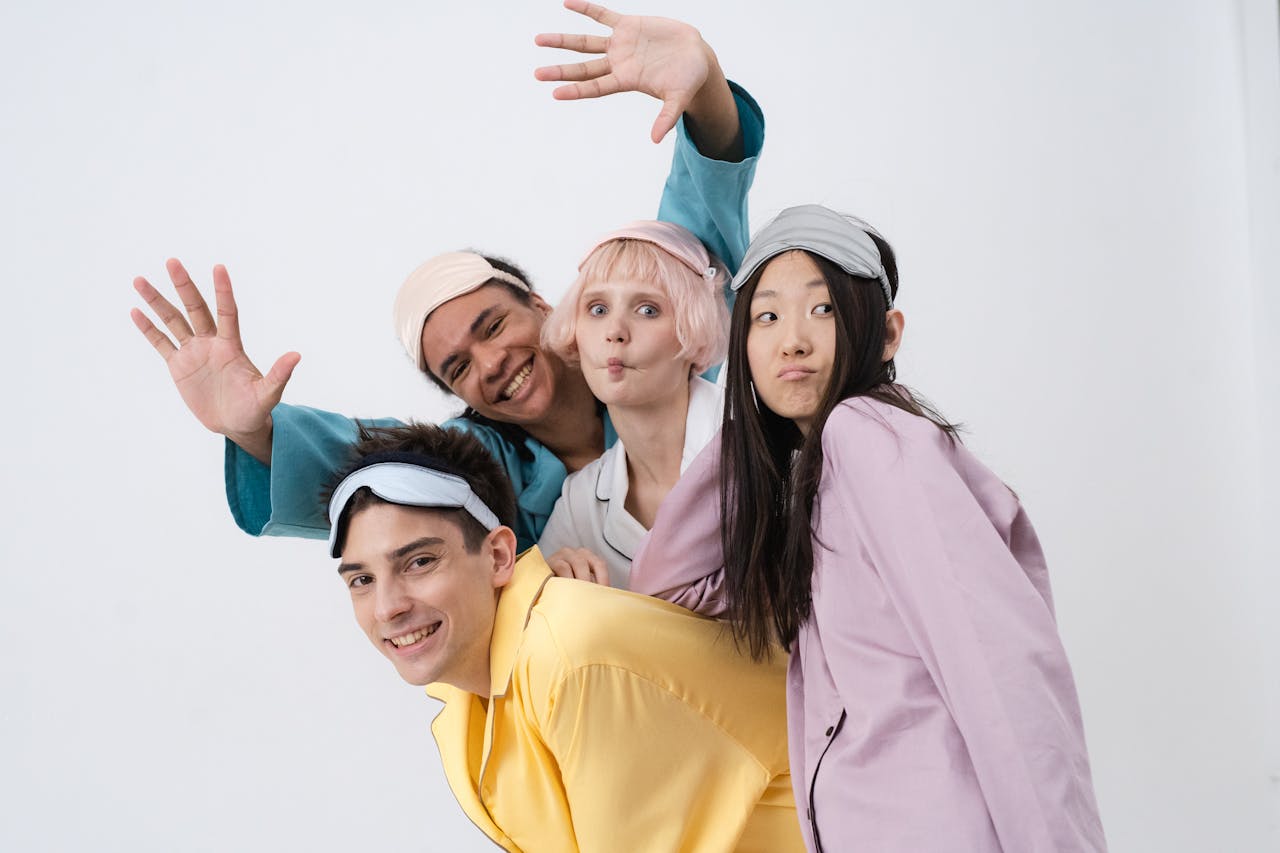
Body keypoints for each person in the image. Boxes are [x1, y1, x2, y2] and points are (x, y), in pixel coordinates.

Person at [129, 1, 765, 555]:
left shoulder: (654, 345)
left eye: (493, 325)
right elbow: (365, 463)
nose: (490, 363)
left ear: (544, 306)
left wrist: (702, 81)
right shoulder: (485, 465)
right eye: (457, 368)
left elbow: (692, 238)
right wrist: (253, 429)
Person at [630, 205, 1108, 852]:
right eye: (765, 317)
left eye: (821, 310)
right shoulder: (817, 482)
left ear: (886, 335)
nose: (791, 340)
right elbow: (666, 585)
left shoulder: (871, 438)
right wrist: (752, 434)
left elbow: (1001, 671)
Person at [327, 421, 803, 852]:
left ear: (497, 557)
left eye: (419, 562)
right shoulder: (471, 699)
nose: (389, 607)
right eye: (362, 581)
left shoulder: (571, 655)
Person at [536, 220, 727, 586]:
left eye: (647, 310)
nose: (615, 332)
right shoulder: (580, 503)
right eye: (597, 309)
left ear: (695, 326)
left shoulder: (766, 442)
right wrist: (550, 580)